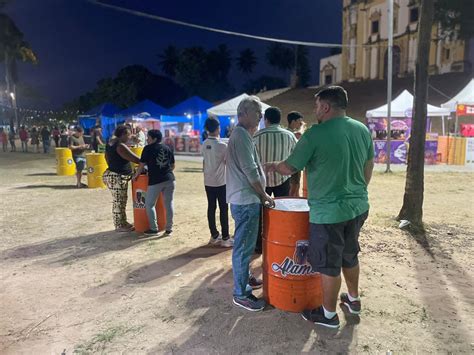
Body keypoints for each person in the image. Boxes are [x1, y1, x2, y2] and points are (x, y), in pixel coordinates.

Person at [265, 86, 374, 329]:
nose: (314, 111)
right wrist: (356, 190)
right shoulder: (362, 129)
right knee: (350, 254)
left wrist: (272, 166)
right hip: (357, 206)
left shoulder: (315, 134)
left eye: (316, 106)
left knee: (328, 263)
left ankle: (327, 315)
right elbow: (369, 167)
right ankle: (353, 300)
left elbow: (291, 167)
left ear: (325, 106)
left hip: (328, 212)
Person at [226, 96, 275, 312]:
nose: (260, 118)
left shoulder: (243, 134)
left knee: (244, 246)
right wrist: (264, 195)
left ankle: (245, 279)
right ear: (244, 113)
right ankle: (241, 294)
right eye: (257, 114)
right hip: (246, 201)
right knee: (243, 248)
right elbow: (251, 171)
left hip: (246, 199)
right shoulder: (241, 136)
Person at [133, 129, 175, 236]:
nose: (147, 139)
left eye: (149, 137)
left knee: (149, 204)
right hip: (170, 179)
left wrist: (136, 175)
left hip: (155, 181)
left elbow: (141, 165)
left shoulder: (147, 148)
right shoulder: (167, 148)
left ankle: (153, 228)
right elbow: (173, 166)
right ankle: (169, 229)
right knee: (168, 204)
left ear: (154, 138)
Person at [201, 116, 232, 247]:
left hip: (208, 181)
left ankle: (214, 235)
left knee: (211, 207)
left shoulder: (204, 144)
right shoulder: (222, 145)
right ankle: (225, 238)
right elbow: (227, 162)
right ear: (218, 128)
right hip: (220, 182)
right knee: (223, 208)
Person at [103, 125, 140, 232]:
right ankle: (119, 225)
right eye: (128, 134)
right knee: (119, 201)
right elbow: (134, 158)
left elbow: (106, 157)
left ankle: (123, 222)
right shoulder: (120, 146)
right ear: (123, 134)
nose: (129, 137)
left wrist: (112, 165)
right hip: (117, 177)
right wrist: (145, 161)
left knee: (121, 200)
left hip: (113, 174)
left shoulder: (111, 142)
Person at [254, 107, 297, 197]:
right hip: (283, 179)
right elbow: (296, 155)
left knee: (263, 209)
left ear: (266, 119)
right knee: (282, 208)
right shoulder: (289, 135)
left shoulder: (256, 136)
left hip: (262, 181)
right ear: (279, 119)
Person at [287, 111, 306, 196]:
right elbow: (299, 135)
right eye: (299, 121)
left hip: (295, 164)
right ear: (293, 121)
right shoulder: (290, 134)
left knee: (296, 186)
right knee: (293, 187)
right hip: (291, 164)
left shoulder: (290, 133)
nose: (301, 123)